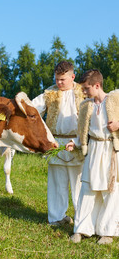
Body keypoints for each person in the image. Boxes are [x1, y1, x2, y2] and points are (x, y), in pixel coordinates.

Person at [67, 69, 119, 244]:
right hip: (94, 149)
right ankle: (81, 229)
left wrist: (118, 124)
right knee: (87, 190)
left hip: (111, 149)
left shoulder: (115, 99)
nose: (84, 92)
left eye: (87, 88)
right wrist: (75, 143)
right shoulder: (86, 106)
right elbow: (83, 131)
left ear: (97, 85)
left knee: (110, 191)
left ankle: (107, 231)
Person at [32, 61, 85, 225]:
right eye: (57, 79)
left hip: (76, 142)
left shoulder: (83, 92)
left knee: (79, 185)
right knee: (57, 184)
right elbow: (32, 108)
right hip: (55, 142)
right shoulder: (50, 93)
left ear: (72, 77)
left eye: (62, 79)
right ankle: (56, 218)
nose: (59, 83)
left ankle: (82, 220)